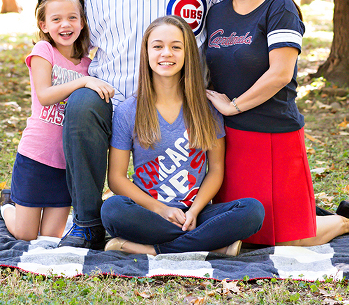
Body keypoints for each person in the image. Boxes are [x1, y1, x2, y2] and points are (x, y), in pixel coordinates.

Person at [57, 0, 221, 249]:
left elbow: (235, 21)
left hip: (181, 103)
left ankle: (195, 217)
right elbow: (72, 46)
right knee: (82, 104)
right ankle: (86, 222)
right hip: (116, 101)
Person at [204, 0, 349, 246]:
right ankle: (309, 213)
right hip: (228, 138)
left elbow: (280, 73)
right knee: (247, 233)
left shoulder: (279, 7)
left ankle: (346, 221)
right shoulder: (216, 13)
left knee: (288, 239)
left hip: (271, 133)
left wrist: (233, 105)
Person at [101, 16, 264, 255]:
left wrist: (195, 211)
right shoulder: (128, 111)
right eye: (157, 46)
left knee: (252, 210)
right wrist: (160, 210)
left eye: (176, 47)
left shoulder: (206, 108)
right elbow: (116, 179)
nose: (166, 53)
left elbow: (216, 169)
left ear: (188, 53)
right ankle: (209, 246)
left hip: (194, 211)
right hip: (148, 213)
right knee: (113, 210)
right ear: (146, 53)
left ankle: (151, 249)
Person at [0, 0, 114, 241]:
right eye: (56, 19)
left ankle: (17, 208)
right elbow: (45, 95)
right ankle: (7, 207)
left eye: (72, 17)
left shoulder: (88, 64)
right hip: (36, 156)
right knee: (25, 234)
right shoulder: (43, 51)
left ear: (83, 23)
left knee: (51, 235)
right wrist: (83, 83)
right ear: (44, 25)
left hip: (66, 163)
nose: (66, 24)